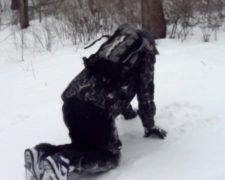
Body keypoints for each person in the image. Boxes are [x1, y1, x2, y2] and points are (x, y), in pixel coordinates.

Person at [24, 24, 167, 180]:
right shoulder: (145, 57)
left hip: (71, 102)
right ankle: (65, 162)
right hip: (96, 109)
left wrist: (129, 113)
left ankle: (41, 153)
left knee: (85, 147)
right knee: (110, 157)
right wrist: (149, 125)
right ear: (150, 45)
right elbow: (145, 95)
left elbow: (120, 86)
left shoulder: (112, 54)